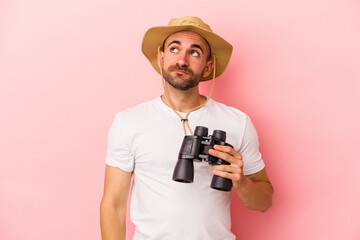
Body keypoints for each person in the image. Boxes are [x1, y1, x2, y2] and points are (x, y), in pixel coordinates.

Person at [100, 16, 274, 240]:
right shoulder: (129, 121)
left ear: (208, 66)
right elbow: (113, 205)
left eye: (194, 52)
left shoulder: (237, 122)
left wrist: (241, 182)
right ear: (161, 57)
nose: (181, 60)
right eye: (174, 49)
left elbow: (264, 203)